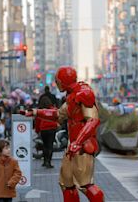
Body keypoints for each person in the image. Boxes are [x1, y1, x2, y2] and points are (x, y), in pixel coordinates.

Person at [21, 66, 104, 201]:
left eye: (58, 81)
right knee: (66, 184)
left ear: (63, 81)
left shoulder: (84, 93)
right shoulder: (72, 96)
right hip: (73, 146)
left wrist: (78, 142)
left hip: (82, 146)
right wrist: (35, 112)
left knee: (85, 185)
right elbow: (58, 114)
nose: (57, 83)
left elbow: (93, 120)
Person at [36, 96, 58, 168]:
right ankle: (49, 162)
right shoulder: (53, 110)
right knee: (50, 145)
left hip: (43, 129)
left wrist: (37, 130)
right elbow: (58, 118)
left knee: (45, 145)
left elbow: (37, 121)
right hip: (52, 128)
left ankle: (45, 161)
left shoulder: (40, 111)